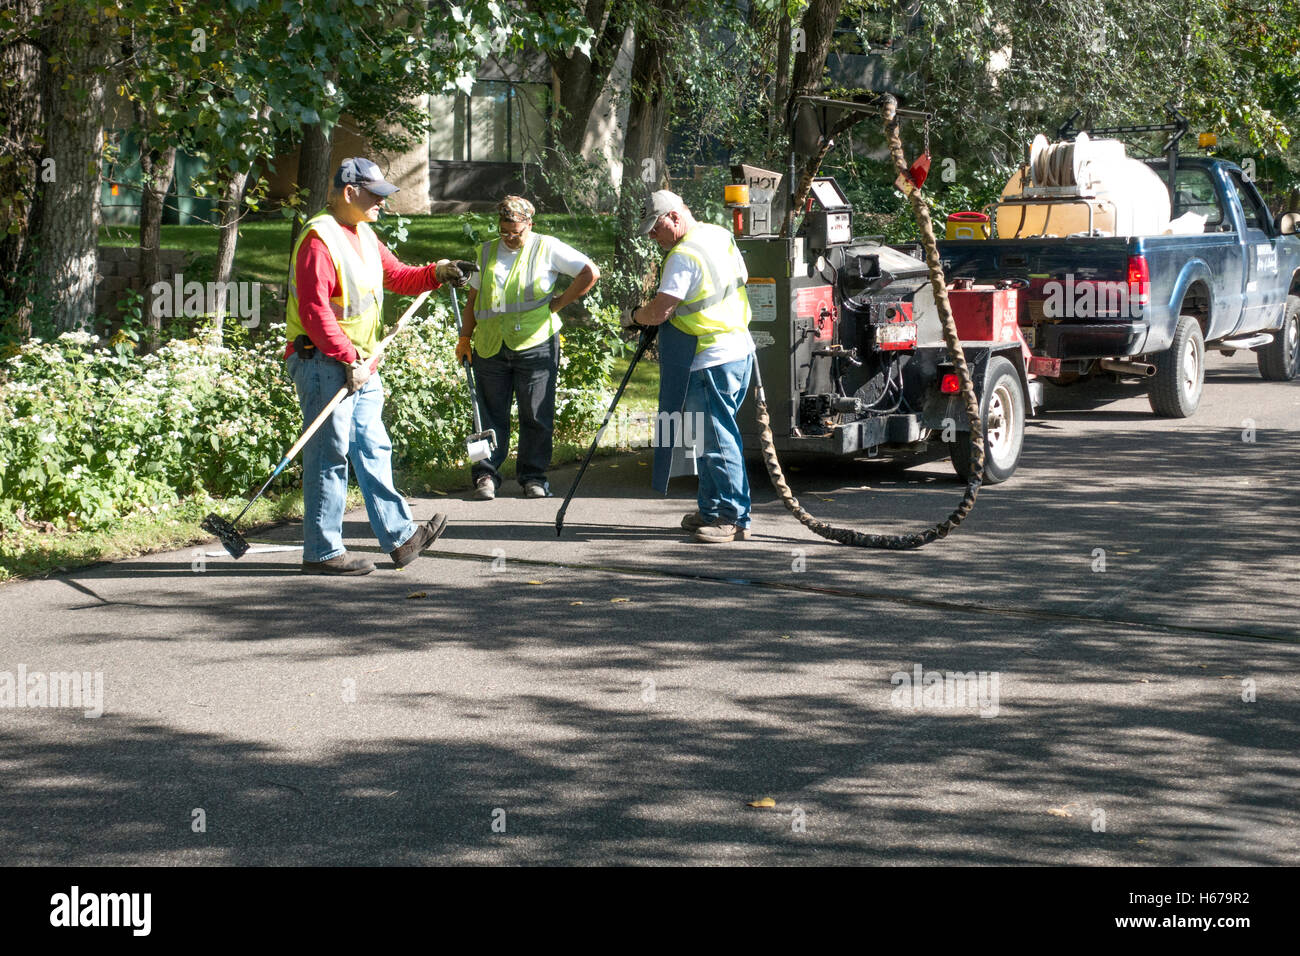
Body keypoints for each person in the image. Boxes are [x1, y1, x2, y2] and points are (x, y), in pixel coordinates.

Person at [286, 157, 468, 575]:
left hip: (361, 363)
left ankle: (400, 537)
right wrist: (348, 359)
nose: (382, 204)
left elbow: (399, 277)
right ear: (350, 193)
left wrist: (438, 271)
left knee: (372, 446)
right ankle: (322, 551)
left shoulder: (363, 234)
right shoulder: (319, 239)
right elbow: (315, 312)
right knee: (329, 455)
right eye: (376, 196)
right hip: (324, 363)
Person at [630, 190, 755, 543]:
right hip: (736, 350)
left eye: (654, 229)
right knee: (707, 437)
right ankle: (712, 509)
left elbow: (660, 311)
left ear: (673, 217)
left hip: (709, 357)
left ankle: (732, 517)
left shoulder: (682, 255)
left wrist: (634, 316)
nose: (652, 237)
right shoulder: (718, 234)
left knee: (715, 440)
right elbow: (741, 279)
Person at [456, 195, 600, 499]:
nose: (509, 237)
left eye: (516, 232)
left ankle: (533, 476)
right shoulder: (485, 252)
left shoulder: (547, 247)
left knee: (536, 413)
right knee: (484, 415)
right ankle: (484, 474)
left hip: (535, 343)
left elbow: (590, 272)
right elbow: (472, 300)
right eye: (504, 230)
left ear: (529, 225)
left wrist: (559, 303)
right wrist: (465, 338)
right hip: (490, 345)